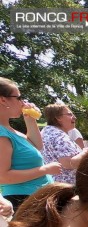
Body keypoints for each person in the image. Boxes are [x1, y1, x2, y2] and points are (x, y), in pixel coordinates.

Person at [0, 78, 59, 209]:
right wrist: (45, 170)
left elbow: (37, 145)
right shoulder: (2, 134)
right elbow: (2, 176)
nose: (23, 102)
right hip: (23, 202)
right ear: (3, 100)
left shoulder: (10, 131)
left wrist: (30, 119)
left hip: (33, 200)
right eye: (19, 97)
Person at [41, 104, 86, 185]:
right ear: (58, 117)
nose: (74, 117)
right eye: (69, 114)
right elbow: (67, 163)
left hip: (52, 184)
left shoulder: (45, 132)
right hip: (65, 188)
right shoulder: (60, 136)